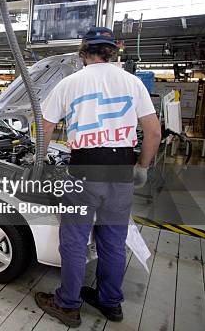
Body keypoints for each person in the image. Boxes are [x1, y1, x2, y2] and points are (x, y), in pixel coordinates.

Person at [34, 27, 161, 327]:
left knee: (75, 241)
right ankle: (110, 303)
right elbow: (153, 132)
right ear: (113, 51)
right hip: (120, 171)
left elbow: (44, 127)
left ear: (83, 53)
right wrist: (141, 167)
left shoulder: (70, 83)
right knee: (114, 243)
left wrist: (40, 160)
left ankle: (68, 304)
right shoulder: (132, 83)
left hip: (84, 171)